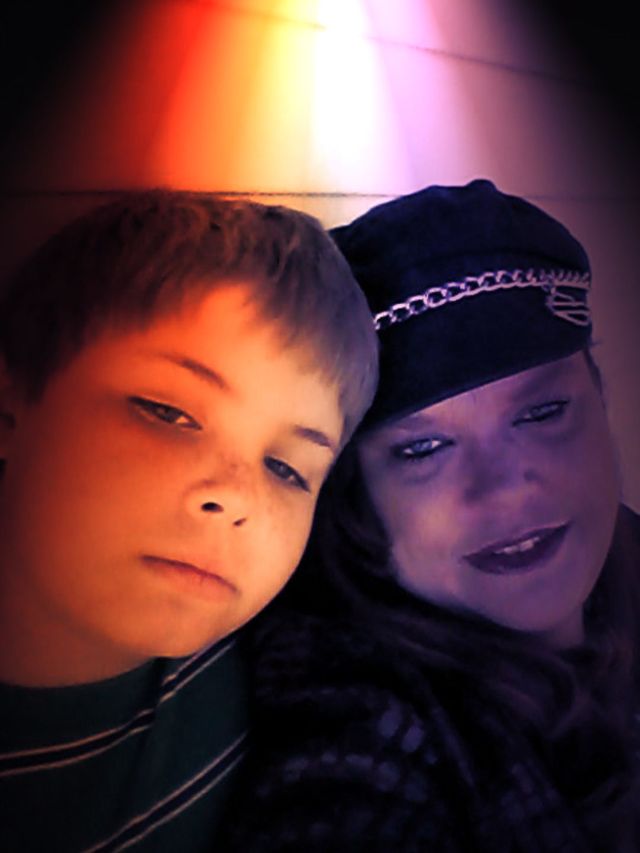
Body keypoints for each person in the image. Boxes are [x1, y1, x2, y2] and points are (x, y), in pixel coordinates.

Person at [222, 180, 640, 852]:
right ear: (357, 494)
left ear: (600, 397)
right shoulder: (356, 708)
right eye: (423, 449)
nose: (502, 491)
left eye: (542, 413)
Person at [0, 189, 378, 852]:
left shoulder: (294, 686)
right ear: (10, 409)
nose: (236, 497)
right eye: (168, 413)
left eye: (287, 469)